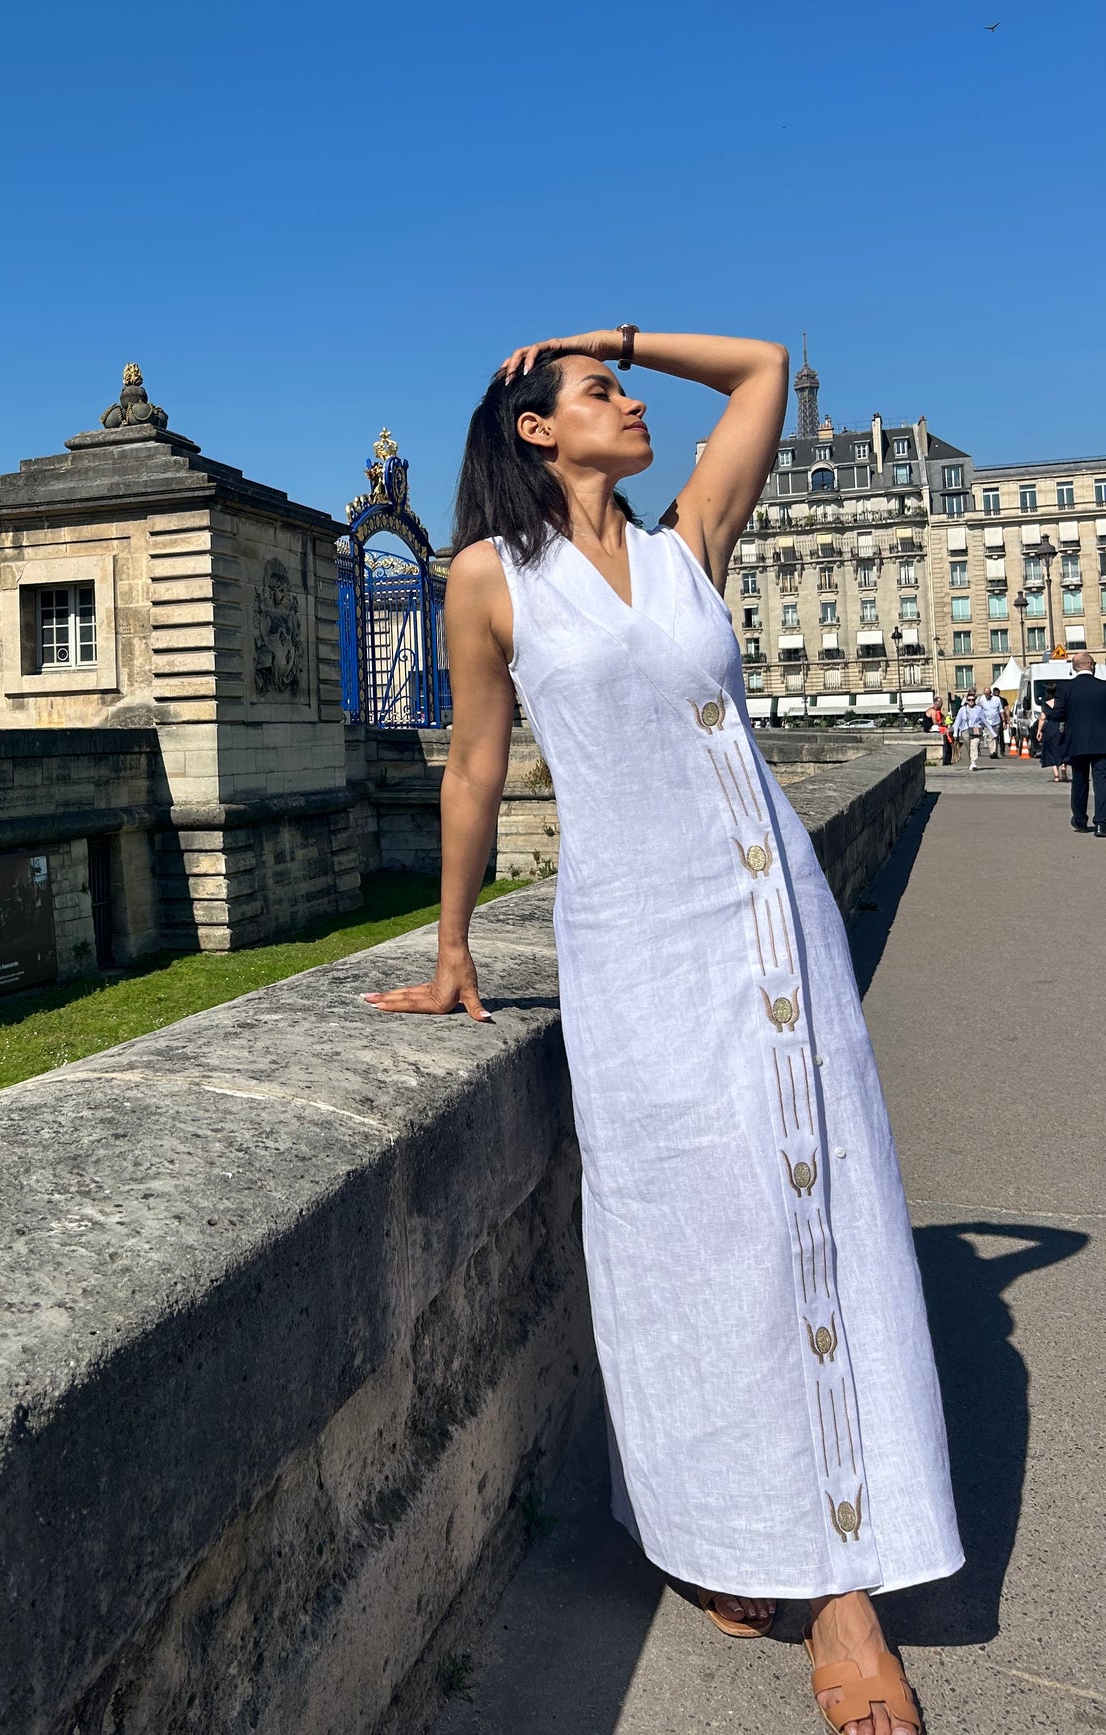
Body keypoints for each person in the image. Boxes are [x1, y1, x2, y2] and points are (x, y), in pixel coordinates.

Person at [364, 328, 959, 1735]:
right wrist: (453, 949)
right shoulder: (486, 577)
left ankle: (843, 1591)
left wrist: (611, 331)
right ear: (533, 434)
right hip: (632, 942)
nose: (627, 401)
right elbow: (473, 762)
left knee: (815, 1216)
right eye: (597, 393)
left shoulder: (694, 533)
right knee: (685, 1249)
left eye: (622, 386)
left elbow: (762, 369)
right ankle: (729, 1526)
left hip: (768, 918)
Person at [1051, 651, 1106, 835]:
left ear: (1075, 667)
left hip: (1076, 742)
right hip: (1102, 741)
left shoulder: (1065, 688)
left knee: (1080, 781)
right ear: (1090, 664)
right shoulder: (1104, 687)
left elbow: (1058, 715)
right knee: (1102, 782)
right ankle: (1102, 823)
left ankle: (1080, 821)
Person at [1036, 684, 1068, 783]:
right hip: (1063, 726)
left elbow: (1042, 717)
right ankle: (1064, 766)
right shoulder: (1063, 702)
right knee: (1064, 748)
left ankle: (1056, 775)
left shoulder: (1045, 703)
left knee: (1052, 750)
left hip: (1051, 727)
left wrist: (1039, 731)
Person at [952, 688, 988, 770]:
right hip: (965, 729)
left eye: (973, 699)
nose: (971, 701)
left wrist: (991, 731)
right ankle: (972, 759)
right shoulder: (963, 707)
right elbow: (958, 721)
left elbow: (983, 718)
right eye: (969, 700)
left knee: (974, 744)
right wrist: (955, 733)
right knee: (968, 745)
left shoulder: (978, 705)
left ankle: (973, 762)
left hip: (975, 728)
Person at [924, 691, 951, 766]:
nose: (941, 706)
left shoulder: (937, 711)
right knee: (945, 730)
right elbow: (935, 722)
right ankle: (949, 751)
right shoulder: (933, 711)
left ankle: (949, 750)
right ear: (936, 704)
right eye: (940, 704)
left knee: (946, 730)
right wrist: (943, 726)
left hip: (932, 727)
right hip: (930, 728)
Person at [979, 685, 1005, 758]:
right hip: (987, 722)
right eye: (985, 694)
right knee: (991, 737)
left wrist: (1004, 721)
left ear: (991, 693)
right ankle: (992, 752)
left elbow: (1001, 710)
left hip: (996, 721)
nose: (987, 695)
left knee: (995, 737)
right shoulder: (981, 700)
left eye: (988, 693)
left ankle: (994, 752)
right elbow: (979, 710)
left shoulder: (996, 699)